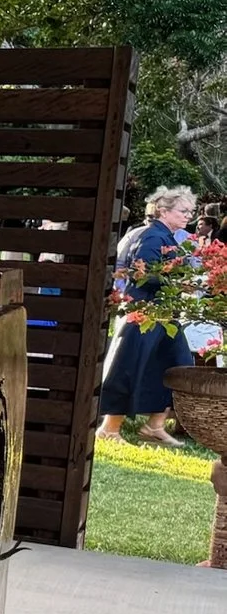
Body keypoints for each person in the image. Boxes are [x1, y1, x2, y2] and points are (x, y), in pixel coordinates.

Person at [97, 185, 199, 445]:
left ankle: (154, 426)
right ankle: (109, 428)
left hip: (164, 315)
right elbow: (142, 276)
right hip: (144, 313)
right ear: (163, 211)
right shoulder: (153, 237)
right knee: (129, 366)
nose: (189, 216)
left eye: (191, 211)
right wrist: (178, 283)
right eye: (183, 210)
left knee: (178, 365)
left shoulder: (167, 237)